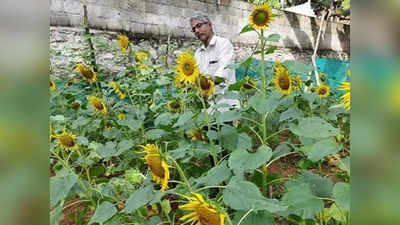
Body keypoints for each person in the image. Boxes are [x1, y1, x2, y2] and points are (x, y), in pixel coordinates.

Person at [190, 14, 240, 113]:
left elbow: (222, 75)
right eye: (193, 29)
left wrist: (202, 82)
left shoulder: (224, 44)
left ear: (209, 25)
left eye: (199, 26)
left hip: (226, 108)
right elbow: (195, 77)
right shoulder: (198, 53)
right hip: (207, 111)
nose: (196, 31)